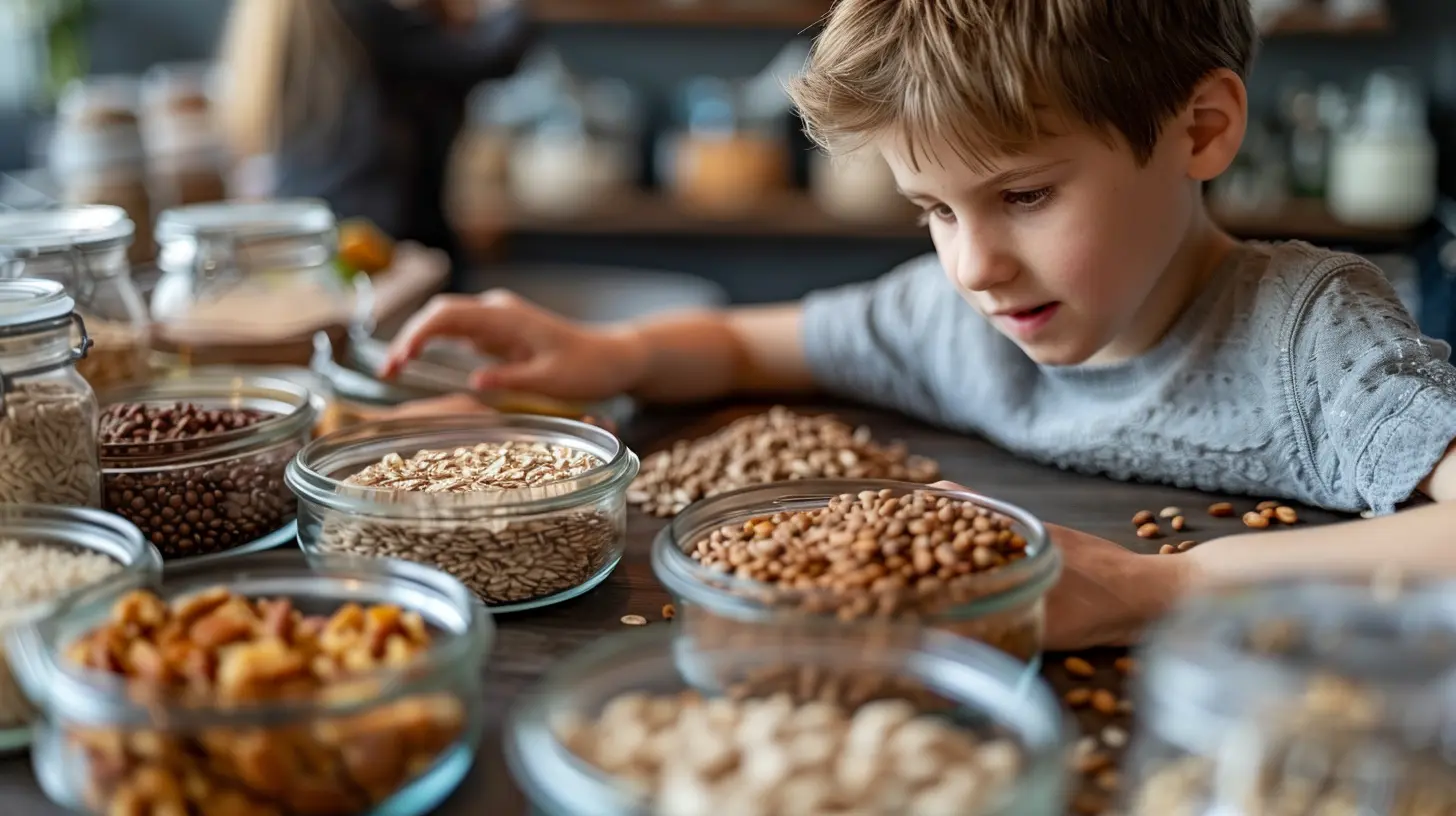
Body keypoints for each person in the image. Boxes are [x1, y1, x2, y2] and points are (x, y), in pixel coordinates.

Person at [379, 0, 1456, 651]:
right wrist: (610, 354)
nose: (974, 267)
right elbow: (749, 344)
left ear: (1202, 131)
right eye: (933, 210)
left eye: (1024, 195)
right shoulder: (951, 321)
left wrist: (1163, 587)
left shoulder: (1314, 339)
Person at [217, 0, 533, 287]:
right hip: (380, 239)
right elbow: (488, 55)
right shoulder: (365, 14)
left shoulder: (284, 15)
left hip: (308, 227)